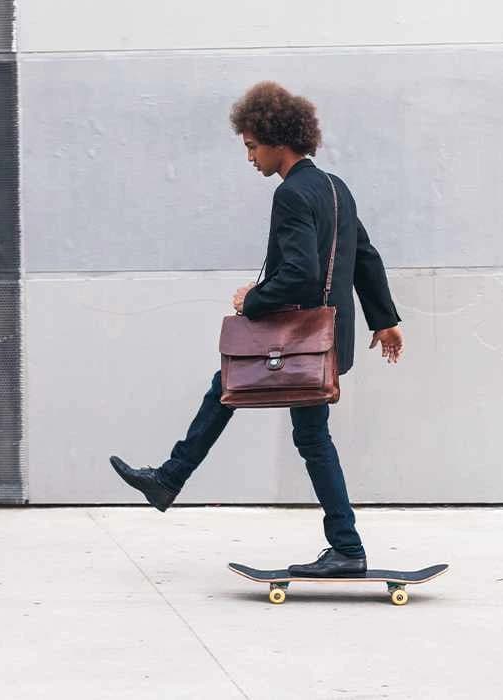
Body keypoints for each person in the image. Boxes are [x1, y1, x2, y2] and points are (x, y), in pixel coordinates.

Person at [110, 81, 404, 578]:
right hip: (329, 339)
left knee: (285, 422)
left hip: (301, 339)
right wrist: (386, 320)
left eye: (251, 146)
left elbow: (301, 274)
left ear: (277, 140)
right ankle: (169, 478)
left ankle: (347, 547)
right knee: (231, 390)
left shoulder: (291, 194)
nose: (249, 158)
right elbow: (365, 257)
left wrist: (253, 299)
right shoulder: (337, 188)